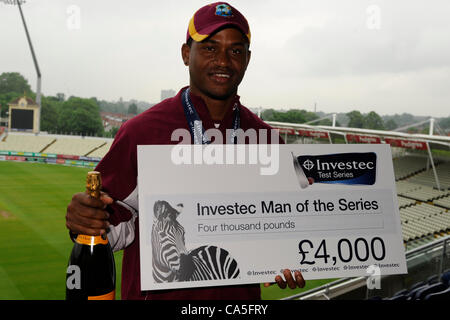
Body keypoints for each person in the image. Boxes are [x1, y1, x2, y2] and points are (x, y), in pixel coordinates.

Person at [65, 2, 305, 300]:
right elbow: (113, 227)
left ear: (247, 59)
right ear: (185, 53)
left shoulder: (267, 141)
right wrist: (87, 220)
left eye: (236, 50)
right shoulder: (141, 132)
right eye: (209, 48)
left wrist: (288, 259)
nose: (223, 61)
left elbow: (281, 230)